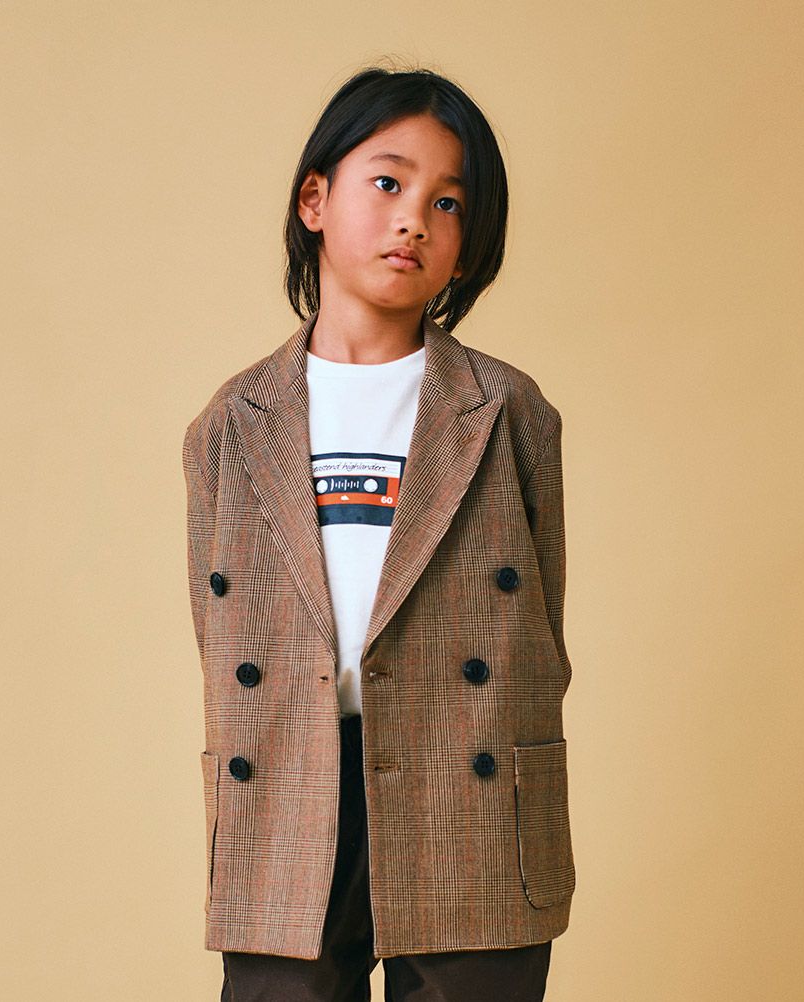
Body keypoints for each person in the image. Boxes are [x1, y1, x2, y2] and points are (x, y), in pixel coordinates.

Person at [183, 64, 575, 1002]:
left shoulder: (507, 410)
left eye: (448, 203)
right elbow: (218, 633)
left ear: (468, 245)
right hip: (289, 783)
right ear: (314, 200)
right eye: (389, 183)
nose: (415, 221)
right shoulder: (231, 423)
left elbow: (540, 631)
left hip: (469, 789)